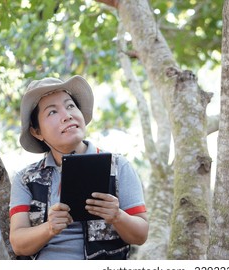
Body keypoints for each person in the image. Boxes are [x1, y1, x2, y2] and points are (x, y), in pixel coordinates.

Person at [9, 75, 148, 260]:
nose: (67, 116)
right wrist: (49, 228)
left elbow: (141, 235)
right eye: (52, 112)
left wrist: (118, 216)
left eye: (70, 106)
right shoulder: (25, 179)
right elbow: (18, 244)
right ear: (37, 132)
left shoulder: (118, 166)